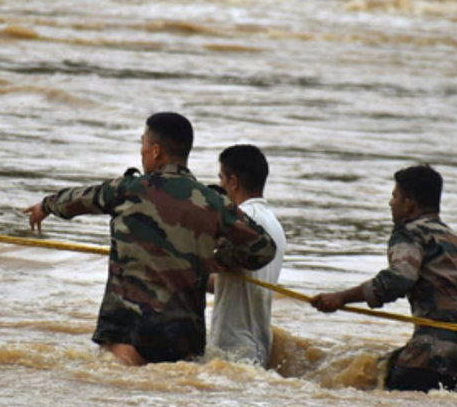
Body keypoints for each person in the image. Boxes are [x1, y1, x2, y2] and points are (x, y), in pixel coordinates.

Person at [23, 113, 278, 367]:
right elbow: (264, 249)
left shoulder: (126, 189)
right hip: (185, 341)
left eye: (142, 145)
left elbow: (77, 200)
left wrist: (45, 206)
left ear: (155, 151)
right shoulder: (213, 202)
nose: (141, 152)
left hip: (130, 333)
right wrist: (216, 259)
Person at [310, 164, 457, 393]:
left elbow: (399, 279)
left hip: (434, 356)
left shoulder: (410, 233)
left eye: (394, 196)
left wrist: (340, 298)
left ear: (409, 204)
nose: (390, 203)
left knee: (366, 387)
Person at [208, 145, 286, 368]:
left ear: (233, 182)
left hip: (232, 348)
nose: (221, 185)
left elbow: (214, 262)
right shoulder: (274, 225)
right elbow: (232, 280)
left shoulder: (241, 222)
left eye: (221, 178)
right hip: (260, 347)